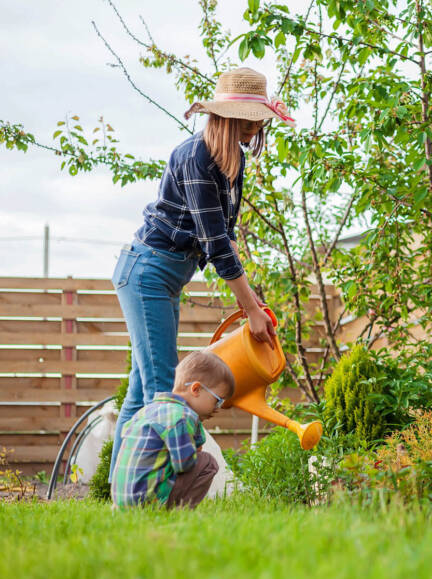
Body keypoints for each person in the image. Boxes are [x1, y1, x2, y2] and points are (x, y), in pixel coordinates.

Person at [109, 67, 295, 478]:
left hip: (166, 277)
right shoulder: (194, 157)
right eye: (248, 121)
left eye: (257, 122)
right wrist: (248, 309)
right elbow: (214, 243)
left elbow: (225, 236)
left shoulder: (233, 161)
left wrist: (253, 302)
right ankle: (150, 491)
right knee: (163, 389)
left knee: (142, 389)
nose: (254, 130)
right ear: (228, 118)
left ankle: (121, 490)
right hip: (147, 273)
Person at [110, 351, 235, 509]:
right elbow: (184, 464)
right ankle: (179, 511)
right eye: (218, 401)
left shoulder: (147, 410)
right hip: (147, 502)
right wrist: (194, 448)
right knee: (207, 462)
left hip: (122, 500)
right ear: (196, 389)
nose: (218, 408)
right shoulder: (181, 417)